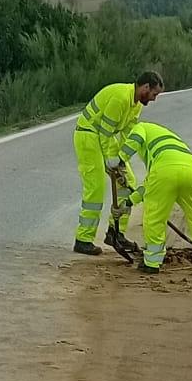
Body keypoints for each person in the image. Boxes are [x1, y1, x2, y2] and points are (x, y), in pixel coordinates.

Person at [72, 72, 164, 256]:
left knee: (127, 181)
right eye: (154, 94)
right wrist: (110, 160)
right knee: (96, 188)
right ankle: (83, 239)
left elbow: (129, 135)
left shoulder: (136, 104)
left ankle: (116, 232)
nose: (154, 99)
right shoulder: (120, 98)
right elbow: (105, 132)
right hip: (88, 136)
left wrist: (122, 160)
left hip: (103, 138)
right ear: (145, 87)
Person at [115, 121, 192, 275]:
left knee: (155, 217)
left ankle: (152, 263)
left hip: (165, 173)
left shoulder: (141, 127)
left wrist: (119, 159)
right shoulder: (167, 138)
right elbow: (150, 185)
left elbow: (136, 139)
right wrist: (130, 202)